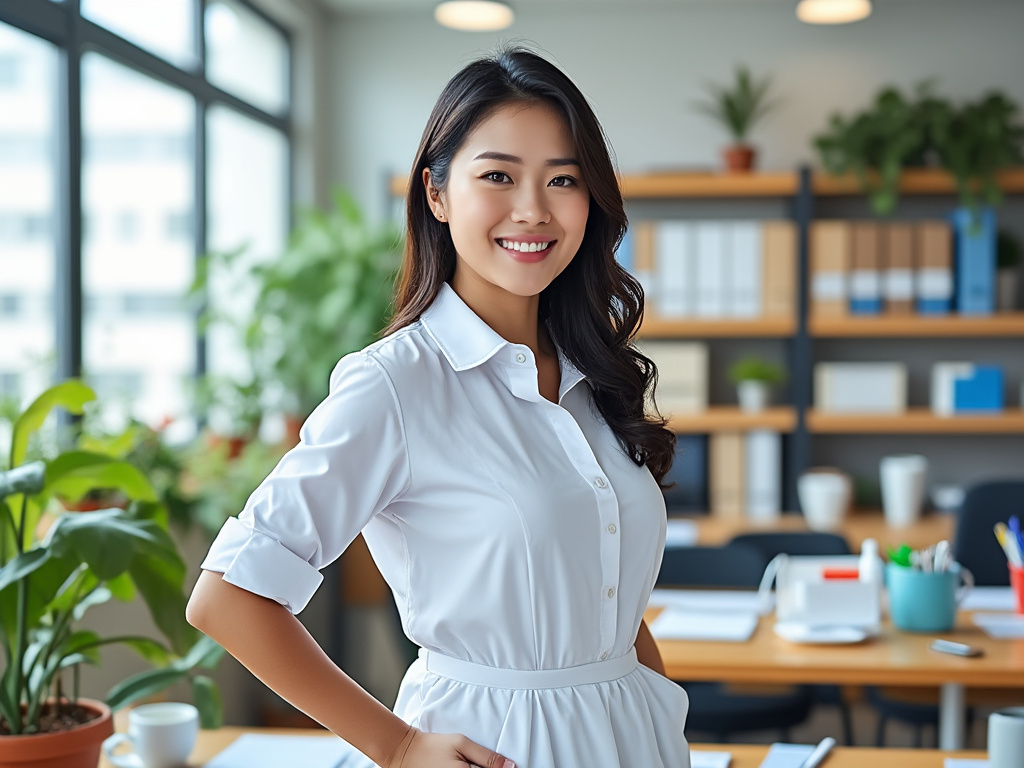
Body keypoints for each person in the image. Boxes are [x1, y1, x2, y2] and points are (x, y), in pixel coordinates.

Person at [186, 45, 690, 768]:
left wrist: (655, 717)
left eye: (563, 179)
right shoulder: (394, 385)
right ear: (437, 193)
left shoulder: (593, 373)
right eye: (498, 176)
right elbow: (227, 597)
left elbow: (610, 600)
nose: (533, 209)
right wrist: (396, 746)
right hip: (495, 746)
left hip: (634, 740)